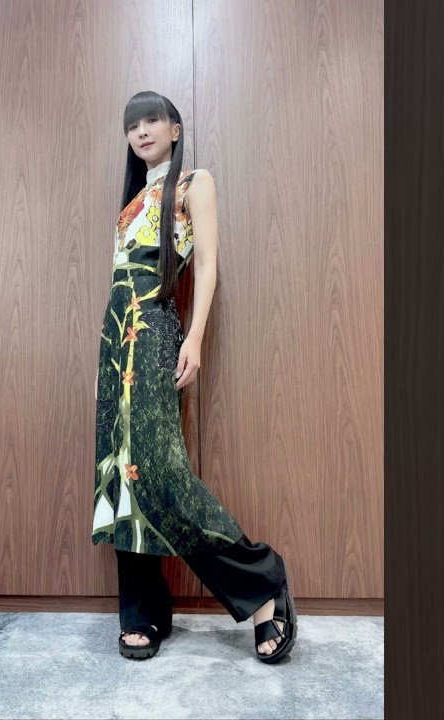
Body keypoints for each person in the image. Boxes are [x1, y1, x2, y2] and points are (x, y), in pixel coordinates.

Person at [91, 90, 298, 663]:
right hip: (115, 342)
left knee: (161, 475)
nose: (141, 131)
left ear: (175, 129)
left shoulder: (193, 183)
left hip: (156, 332)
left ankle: (262, 583)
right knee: (123, 477)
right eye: (132, 124)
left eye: (152, 120)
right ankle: (143, 611)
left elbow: (205, 263)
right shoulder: (133, 201)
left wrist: (196, 337)